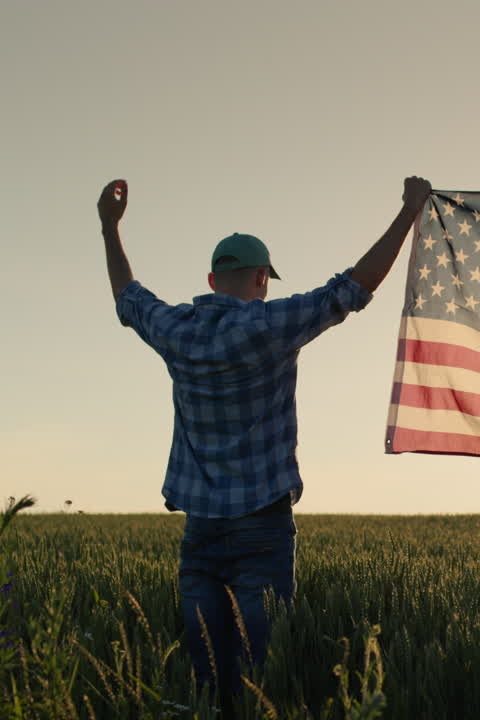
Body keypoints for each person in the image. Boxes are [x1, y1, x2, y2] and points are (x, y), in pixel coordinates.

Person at [98, 175, 433, 709]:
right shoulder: (271, 324)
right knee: (261, 688)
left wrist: (109, 228)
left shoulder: (175, 330)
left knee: (208, 686)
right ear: (261, 278)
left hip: (200, 532)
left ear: (211, 279)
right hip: (263, 529)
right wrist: (409, 214)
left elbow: (128, 298)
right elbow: (352, 289)